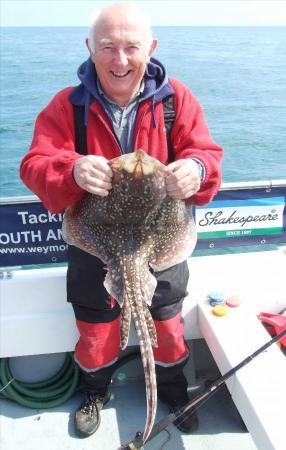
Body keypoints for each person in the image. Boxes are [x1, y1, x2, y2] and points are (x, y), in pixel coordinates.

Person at [20, 2, 223, 439]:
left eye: (132, 46)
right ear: (90, 47)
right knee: (95, 330)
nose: (121, 59)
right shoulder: (68, 106)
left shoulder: (175, 100)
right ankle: (96, 390)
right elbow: (35, 165)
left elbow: (207, 154)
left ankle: (173, 390)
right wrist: (71, 169)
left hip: (159, 242)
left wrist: (197, 170)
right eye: (108, 47)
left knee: (168, 326)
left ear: (150, 48)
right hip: (97, 244)